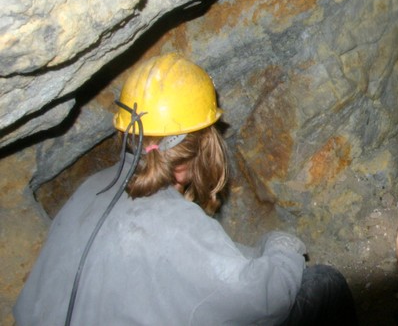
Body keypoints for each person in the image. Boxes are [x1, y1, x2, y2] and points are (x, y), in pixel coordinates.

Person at [14, 52, 358, 326]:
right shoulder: (173, 222)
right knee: (325, 285)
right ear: (203, 146)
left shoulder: (91, 190)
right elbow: (263, 301)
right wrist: (282, 247)